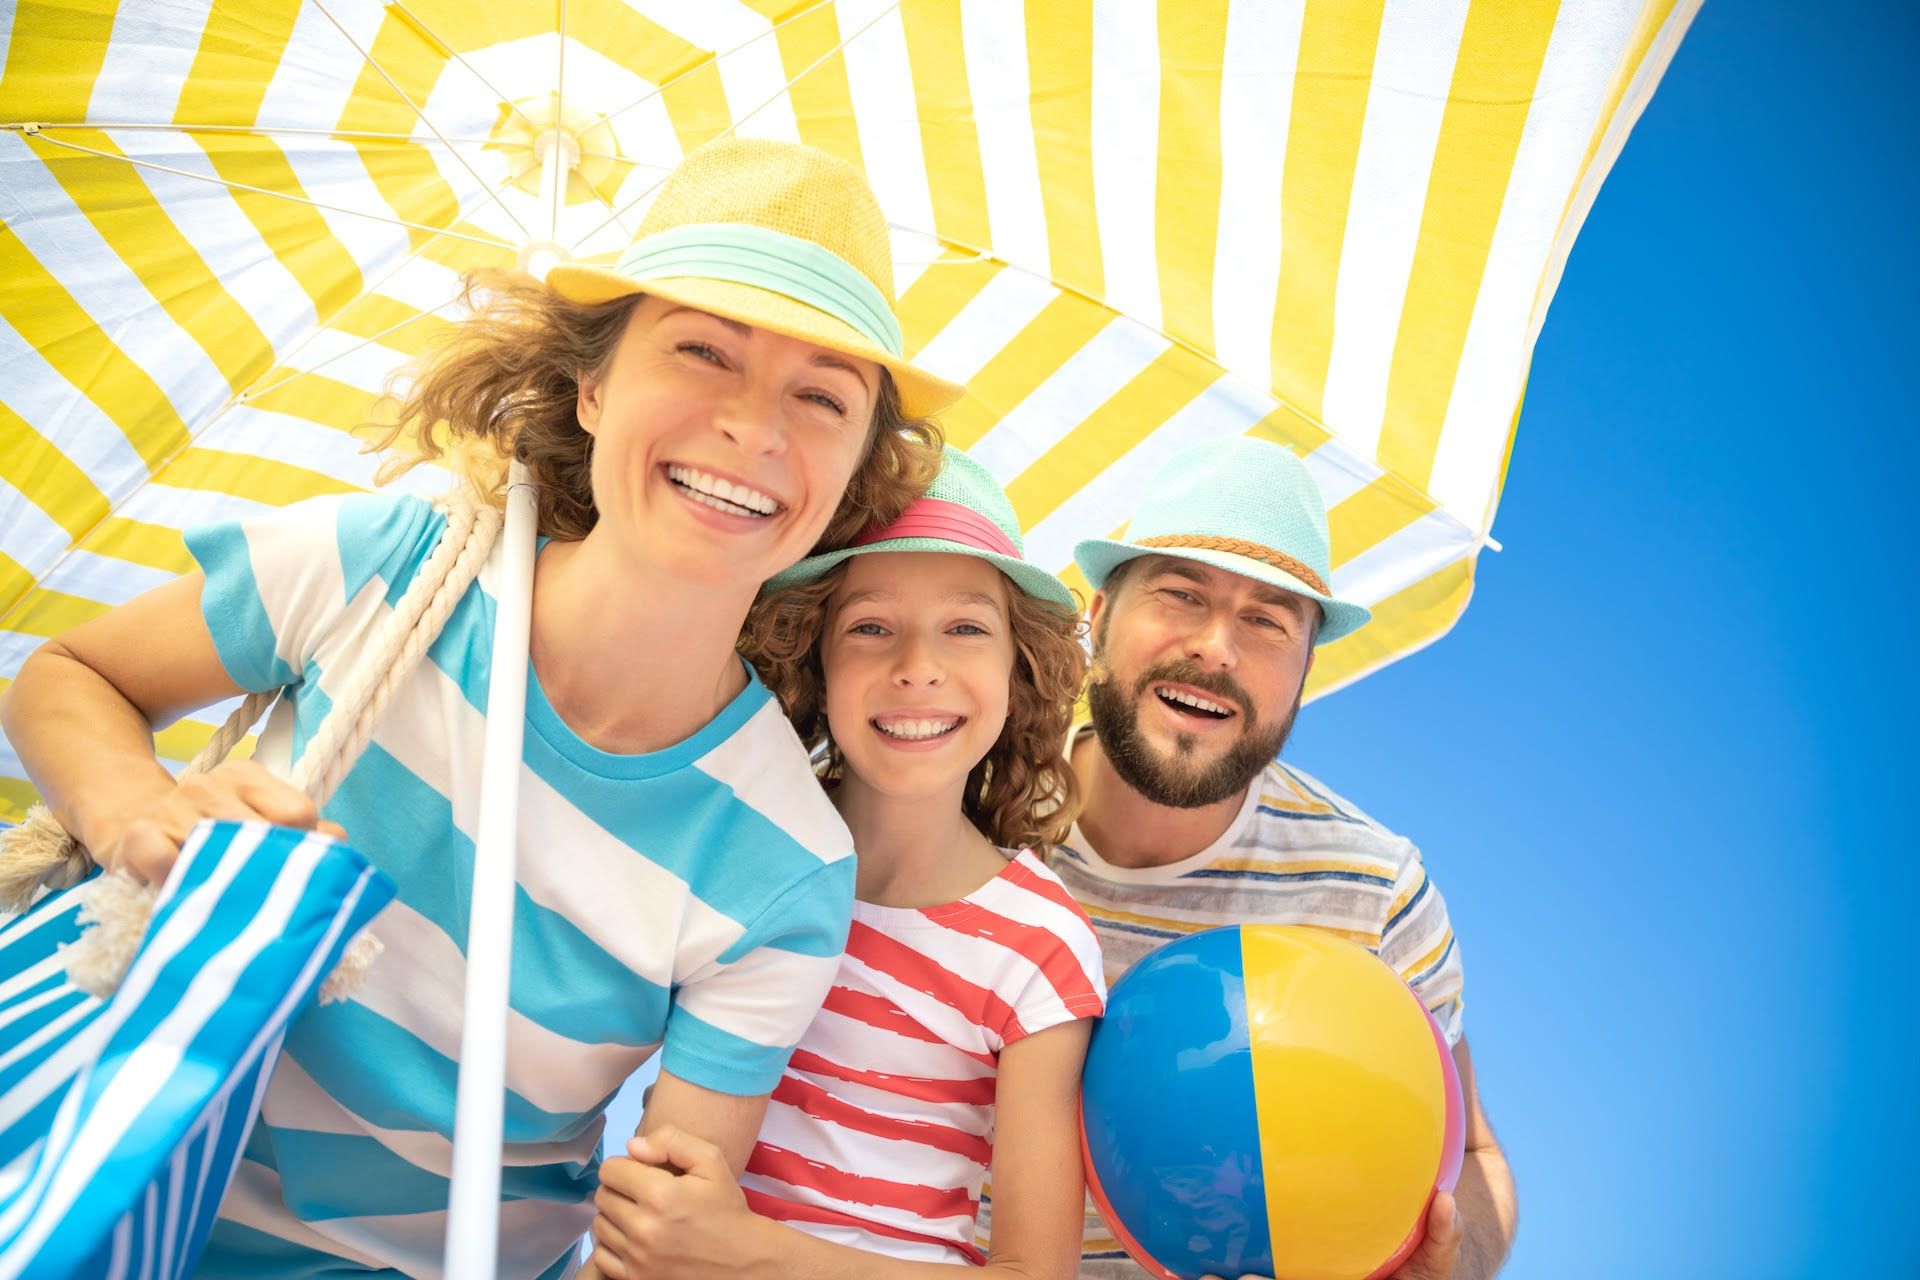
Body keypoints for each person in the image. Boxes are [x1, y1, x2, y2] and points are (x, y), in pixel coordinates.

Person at [0, 137, 961, 1279]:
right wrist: (140, 817)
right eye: (704, 350)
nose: (755, 427)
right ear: (595, 388)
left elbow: (662, 1229)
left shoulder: (785, 866)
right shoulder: (386, 564)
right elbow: (67, 673)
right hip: (113, 1193)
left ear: (853, 476)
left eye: (821, 396)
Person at [1004, 436, 1519, 1280]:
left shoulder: (1374, 890)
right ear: (1096, 618)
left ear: (1305, 670)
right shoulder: (956, 809)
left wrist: (1446, 1268)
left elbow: (1474, 1159)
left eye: (1267, 621)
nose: (1218, 647)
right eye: (1181, 594)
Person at [584, 448, 1105, 1280]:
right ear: (815, 660)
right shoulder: (738, 851)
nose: (918, 666)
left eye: (966, 628)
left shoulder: (1041, 947)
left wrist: (747, 1249)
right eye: (870, 628)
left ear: (1022, 669)